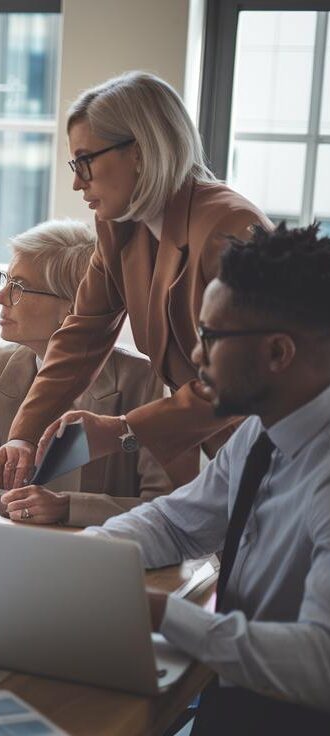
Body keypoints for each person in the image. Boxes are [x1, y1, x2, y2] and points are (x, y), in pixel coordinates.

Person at [83, 225, 330, 732]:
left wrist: (161, 614)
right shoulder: (261, 432)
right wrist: (87, 557)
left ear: (279, 353)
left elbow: (319, 664)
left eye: (210, 339)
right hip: (235, 705)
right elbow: (176, 522)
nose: (196, 357)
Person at [0, 71, 271, 492]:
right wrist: (22, 434)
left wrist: (120, 429)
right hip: (223, 446)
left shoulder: (229, 227)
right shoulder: (119, 226)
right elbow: (81, 335)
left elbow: (244, 379)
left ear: (138, 152)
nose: (76, 182)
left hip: (286, 448)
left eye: (85, 162)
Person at [0, 220, 172, 526]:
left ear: (73, 308)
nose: (0, 297)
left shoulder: (143, 380)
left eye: (18, 287)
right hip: (4, 546)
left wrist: (67, 507)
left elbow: (165, 506)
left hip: (96, 558)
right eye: (5, 280)